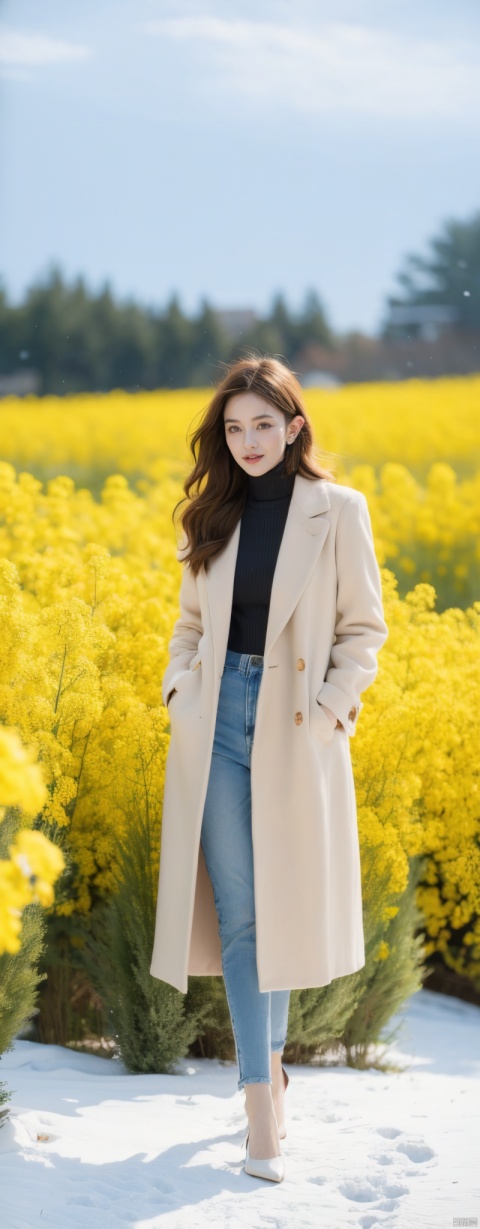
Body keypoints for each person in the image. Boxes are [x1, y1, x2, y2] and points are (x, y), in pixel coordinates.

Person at [150, 354, 389, 1183]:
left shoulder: (340, 510)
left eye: (262, 424)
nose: (247, 441)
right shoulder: (208, 515)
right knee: (247, 916)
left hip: (298, 730)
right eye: (233, 427)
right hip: (215, 724)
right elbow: (186, 627)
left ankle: (272, 1072)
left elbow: (365, 631)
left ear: (294, 427)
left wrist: (329, 710)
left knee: (279, 910)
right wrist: (182, 691)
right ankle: (261, 1104)